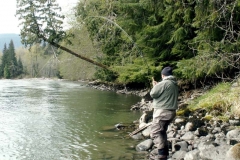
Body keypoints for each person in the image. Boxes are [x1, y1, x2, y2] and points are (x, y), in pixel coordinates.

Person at [149, 66, 179, 160]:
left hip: (163, 112)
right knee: (162, 132)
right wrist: (158, 85)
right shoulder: (174, 83)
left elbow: (153, 94)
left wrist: (155, 86)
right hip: (171, 112)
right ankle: (164, 153)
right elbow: (164, 91)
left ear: (163, 75)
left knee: (155, 132)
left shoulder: (164, 83)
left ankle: (162, 154)